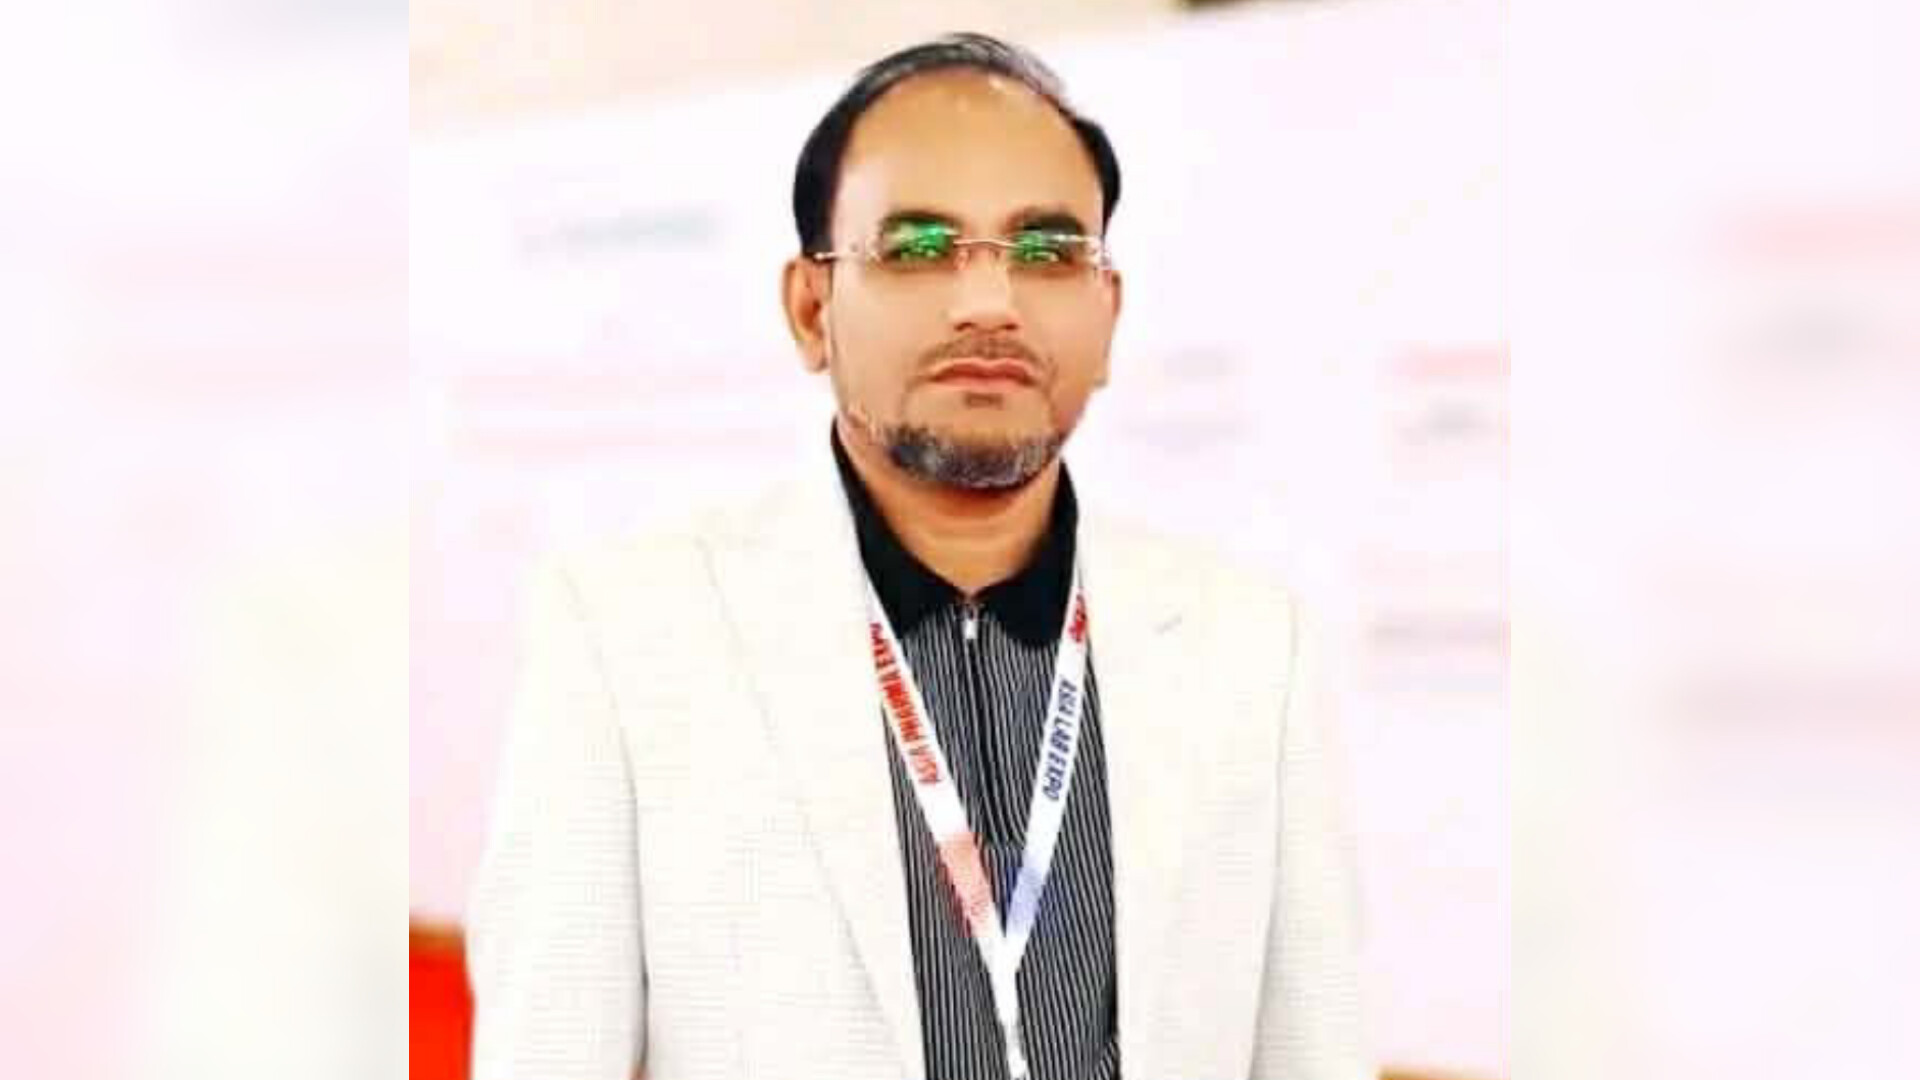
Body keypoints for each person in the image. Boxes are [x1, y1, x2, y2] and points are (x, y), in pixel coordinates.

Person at [467, 32, 1368, 1080]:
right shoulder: (630, 634)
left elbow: (1315, 1048)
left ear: (1108, 313)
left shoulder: (1251, 645)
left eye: (1046, 252)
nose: (989, 302)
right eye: (920, 247)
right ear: (812, 309)